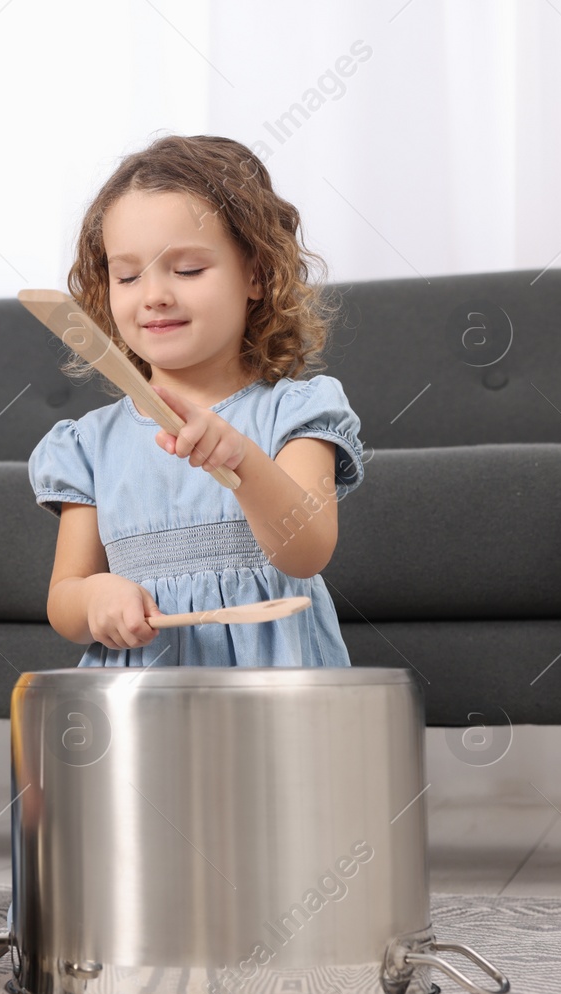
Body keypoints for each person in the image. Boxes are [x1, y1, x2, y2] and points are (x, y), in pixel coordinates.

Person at [30, 134, 368, 667]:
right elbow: (64, 597)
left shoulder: (296, 413)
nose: (154, 294)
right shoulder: (89, 444)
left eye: (187, 269)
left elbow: (306, 552)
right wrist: (96, 598)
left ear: (256, 275)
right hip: (143, 705)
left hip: (276, 699)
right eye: (127, 275)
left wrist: (239, 457)